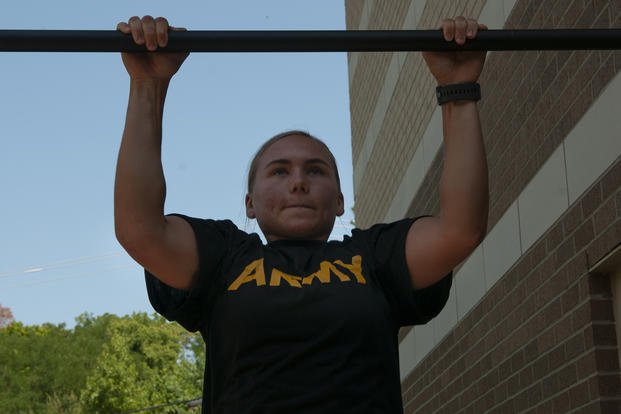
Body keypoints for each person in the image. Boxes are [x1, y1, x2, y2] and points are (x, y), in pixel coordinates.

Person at [114, 15, 489, 414]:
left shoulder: (374, 258)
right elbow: (139, 229)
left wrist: (458, 90)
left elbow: (460, 230)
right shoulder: (224, 258)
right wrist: (148, 85)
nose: (298, 182)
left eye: (315, 169)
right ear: (250, 204)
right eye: (279, 171)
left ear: (341, 200)